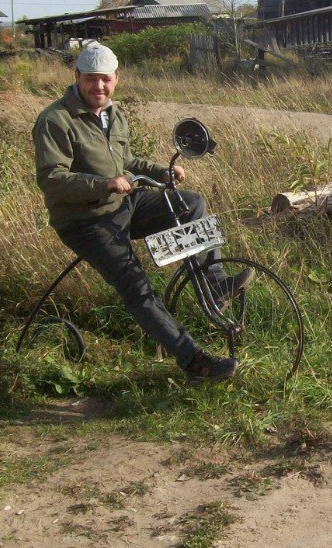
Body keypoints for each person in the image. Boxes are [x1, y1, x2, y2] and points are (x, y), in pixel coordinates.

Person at [33, 42, 254, 383]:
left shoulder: (114, 115)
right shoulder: (56, 120)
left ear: (116, 78)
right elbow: (52, 179)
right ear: (77, 77)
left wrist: (159, 172)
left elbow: (126, 162)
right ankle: (195, 362)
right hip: (85, 221)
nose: (99, 87)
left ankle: (214, 286)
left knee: (190, 203)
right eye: (91, 79)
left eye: (105, 79)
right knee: (136, 286)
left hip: (123, 205)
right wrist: (105, 184)